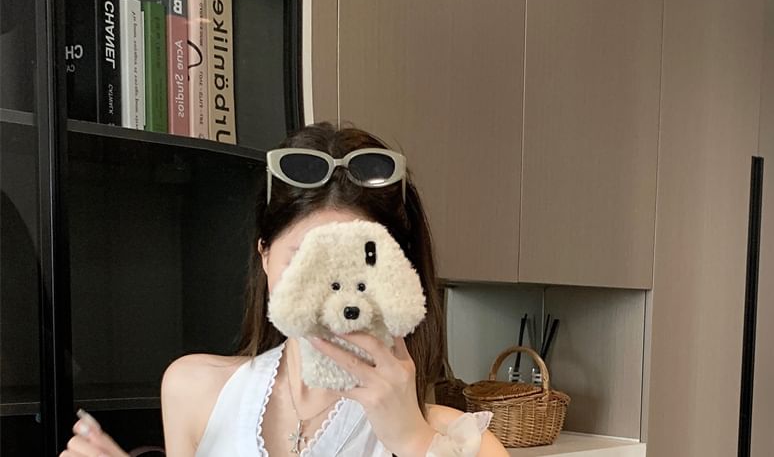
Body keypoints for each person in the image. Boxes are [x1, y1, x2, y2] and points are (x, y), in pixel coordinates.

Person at [60, 122, 508, 457]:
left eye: (360, 263)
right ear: (265, 256)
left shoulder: (453, 438)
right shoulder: (194, 389)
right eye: (305, 261)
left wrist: (413, 441)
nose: (329, 295)